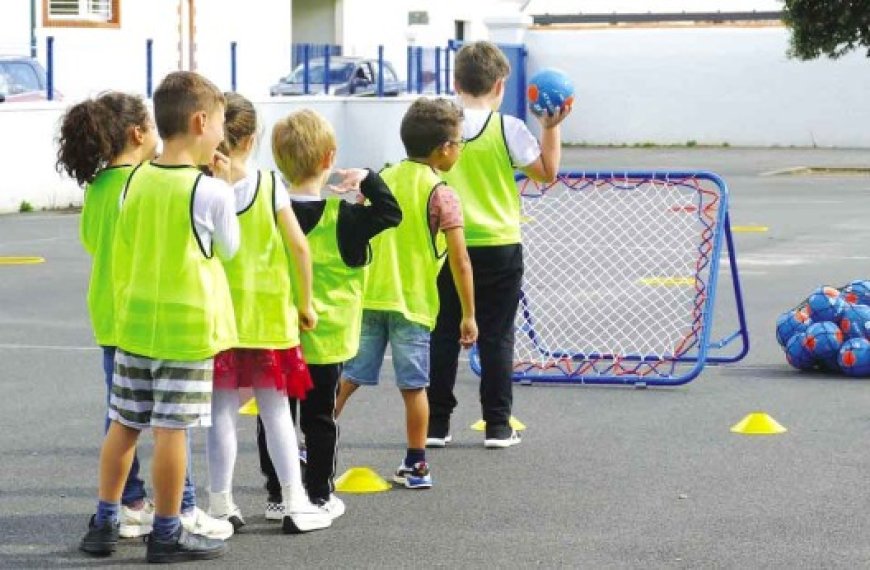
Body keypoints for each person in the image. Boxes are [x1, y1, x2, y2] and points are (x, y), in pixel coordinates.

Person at [56, 91, 232, 543]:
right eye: (151, 127)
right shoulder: (148, 183)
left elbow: (96, 246)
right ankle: (180, 509)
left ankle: (125, 505)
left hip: (115, 315)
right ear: (137, 134)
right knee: (172, 423)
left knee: (123, 418)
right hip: (160, 316)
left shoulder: (99, 188)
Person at [427, 41, 572, 449]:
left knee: (441, 335)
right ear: (501, 86)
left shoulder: (440, 128)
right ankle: (497, 425)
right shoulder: (507, 128)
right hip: (498, 243)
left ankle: (437, 425)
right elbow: (546, 174)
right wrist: (551, 127)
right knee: (497, 335)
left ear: (455, 83)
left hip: (443, 245)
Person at [257, 108, 401, 517]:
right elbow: (392, 213)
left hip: (277, 330)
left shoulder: (270, 215)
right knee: (320, 417)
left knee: (275, 415)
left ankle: (277, 494)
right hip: (329, 334)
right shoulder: (346, 217)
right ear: (329, 158)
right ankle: (319, 493)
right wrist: (370, 178)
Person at [334, 98, 477, 488]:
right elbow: (461, 261)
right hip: (412, 303)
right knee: (414, 387)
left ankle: (313, 442)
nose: (460, 149)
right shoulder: (441, 193)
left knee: (348, 376)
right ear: (444, 148)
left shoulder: (382, 177)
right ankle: (415, 462)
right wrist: (468, 313)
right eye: (460, 143)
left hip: (369, 297)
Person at [205, 92, 331, 535]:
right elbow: (298, 245)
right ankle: (295, 501)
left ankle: (220, 503)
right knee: (276, 410)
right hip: (269, 313)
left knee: (221, 410)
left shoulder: (206, 186)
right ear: (252, 138)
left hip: (222, 315)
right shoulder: (269, 184)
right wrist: (306, 301)